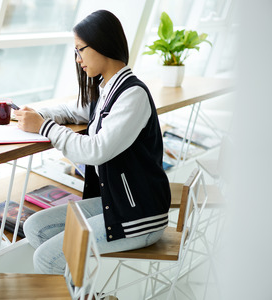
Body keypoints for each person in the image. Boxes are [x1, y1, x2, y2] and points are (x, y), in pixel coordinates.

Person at [14, 9, 171, 275]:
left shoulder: (132, 95)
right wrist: (37, 115)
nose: (77, 60)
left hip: (138, 215)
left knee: (47, 259)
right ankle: (81, 292)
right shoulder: (108, 89)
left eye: (80, 50)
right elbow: (75, 110)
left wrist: (44, 127)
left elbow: (95, 151)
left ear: (101, 44)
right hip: (117, 202)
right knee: (35, 227)